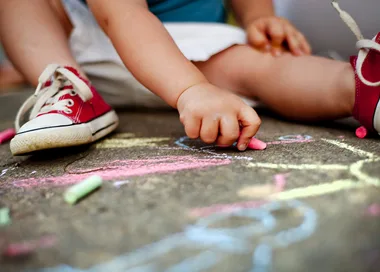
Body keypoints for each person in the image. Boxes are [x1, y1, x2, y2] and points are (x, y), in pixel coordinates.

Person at [0, 0, 378, 156]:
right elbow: (122, 15)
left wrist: (257, 17)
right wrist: (190, 90)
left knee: (266, 66)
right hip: (87, 48)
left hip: (195, 47)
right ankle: (64, 87)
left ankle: (361, 88)